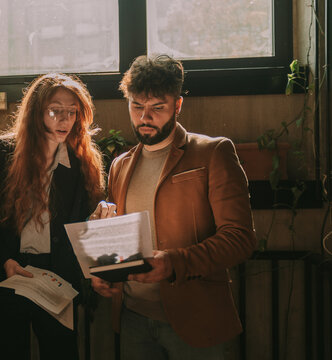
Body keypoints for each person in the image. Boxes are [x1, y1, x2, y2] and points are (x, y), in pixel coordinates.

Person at [90, 54, 257, 359]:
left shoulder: (213, 152)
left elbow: (240, 238)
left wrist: (174, 263)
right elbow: (120, 240)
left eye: (158, 108)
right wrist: (104, 272)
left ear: (177, 106)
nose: (145, 117)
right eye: (137, 106)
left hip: (196, 318)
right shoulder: (120, 165)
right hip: (132, 318)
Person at [0, 73, 105, 360]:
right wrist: (4, 261)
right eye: (55, 110)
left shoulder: (82, 162)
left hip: (57, 278)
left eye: (72, 112)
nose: (65, 119)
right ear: (36, 113)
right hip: (8, 272)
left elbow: (82, 224)